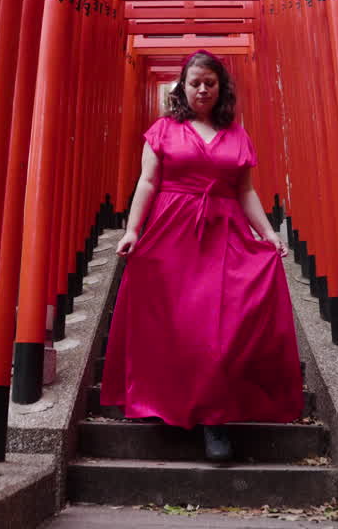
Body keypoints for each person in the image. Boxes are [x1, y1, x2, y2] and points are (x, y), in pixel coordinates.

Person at [101, 50, 303, 462]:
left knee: (220, 330)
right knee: (173, 326)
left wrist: (268, 235)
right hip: (171, 234)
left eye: (210, 82)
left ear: (220, 87)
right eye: (195, 82)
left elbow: (245, 191)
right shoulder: (161, 130)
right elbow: (147, 182)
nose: (202, 89)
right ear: (183, 86)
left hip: (224, 235)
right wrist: (132, 230)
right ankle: (163, 404)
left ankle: (216, 419)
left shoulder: (238, 135)